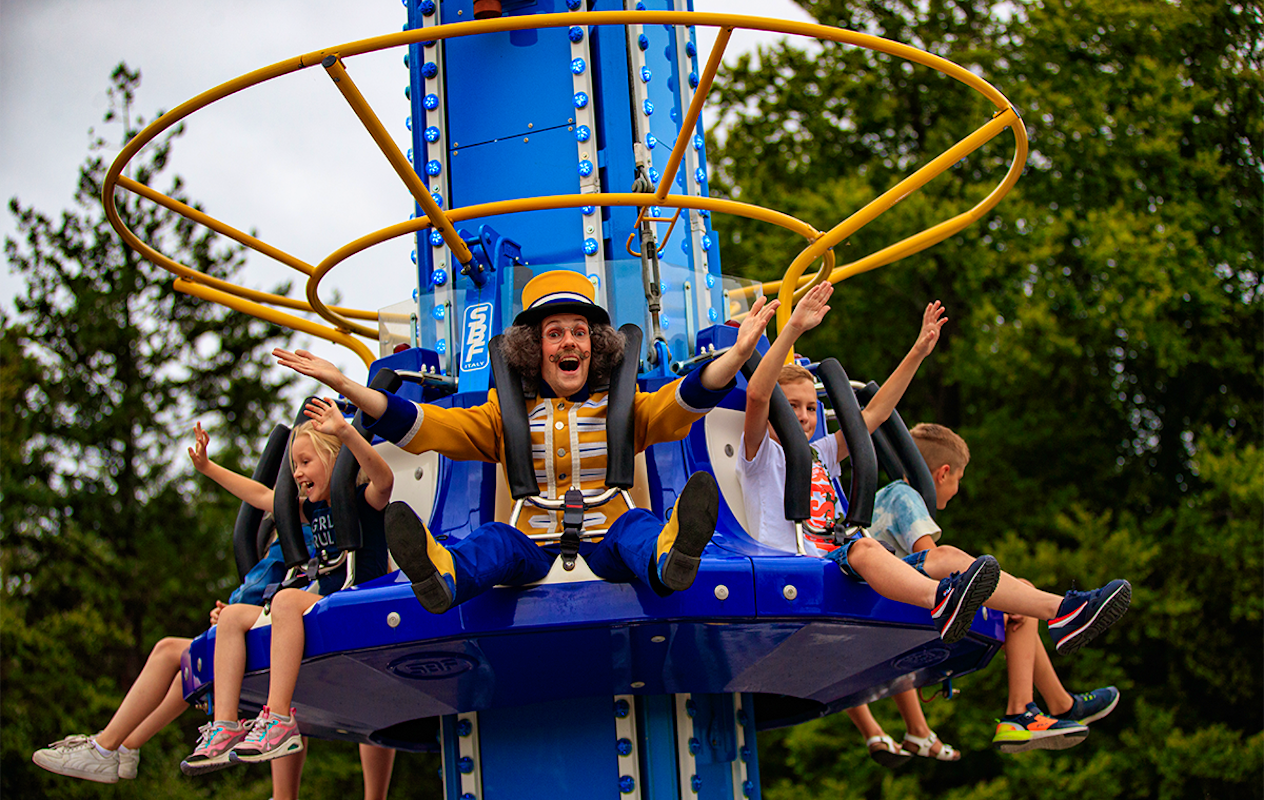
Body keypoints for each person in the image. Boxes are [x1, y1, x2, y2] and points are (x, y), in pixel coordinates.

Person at [735, 283, 1131, 757]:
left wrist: (919, 352)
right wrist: (793, 328)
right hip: (806, 567)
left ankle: (1064, 611)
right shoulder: (759, 455)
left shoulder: (821, 453)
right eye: (793, 407)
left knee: (946, 556)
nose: (803, 416)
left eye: (810, 408)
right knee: (864, 546)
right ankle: (937, 600)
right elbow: (758, 396)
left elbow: (875, 413)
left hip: (843, 564)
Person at [274, 270, 781, 613]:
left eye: (579, 332)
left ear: (594, 346)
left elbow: (684, 400)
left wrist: (737, 354)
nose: (569, 342)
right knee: (494, 543)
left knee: (637, 528)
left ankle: (672, 556)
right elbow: (426, 425)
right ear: (533, 349)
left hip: (607, 536)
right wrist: (346, 385)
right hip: (534, 540)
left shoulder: (622, 410)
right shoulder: (504, 417)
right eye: (555, 332)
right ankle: (438, 573)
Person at [870, 422, 1122, 754]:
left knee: (1019, 597)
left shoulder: (882, 498)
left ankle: (1057, 703)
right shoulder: (904, 496)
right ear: (943, 473)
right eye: (959, 479)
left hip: (889, 604)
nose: (957, 488)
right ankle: (1022, 710)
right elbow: (930, 561)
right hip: (901, 608)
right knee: (1021, 596)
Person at [179, 398, 396, 781]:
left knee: (284, 601)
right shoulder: (311, 509)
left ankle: (278, 718)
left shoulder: (364, 501)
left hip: (360, 600)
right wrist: (210, 469)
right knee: (231, 617)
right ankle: (226, 724)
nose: (297, 473)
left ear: (333, 458)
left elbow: (384, 479)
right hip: (324, 601)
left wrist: (347, 431)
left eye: (305, 462)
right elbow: (264, 498)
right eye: (294, 465)